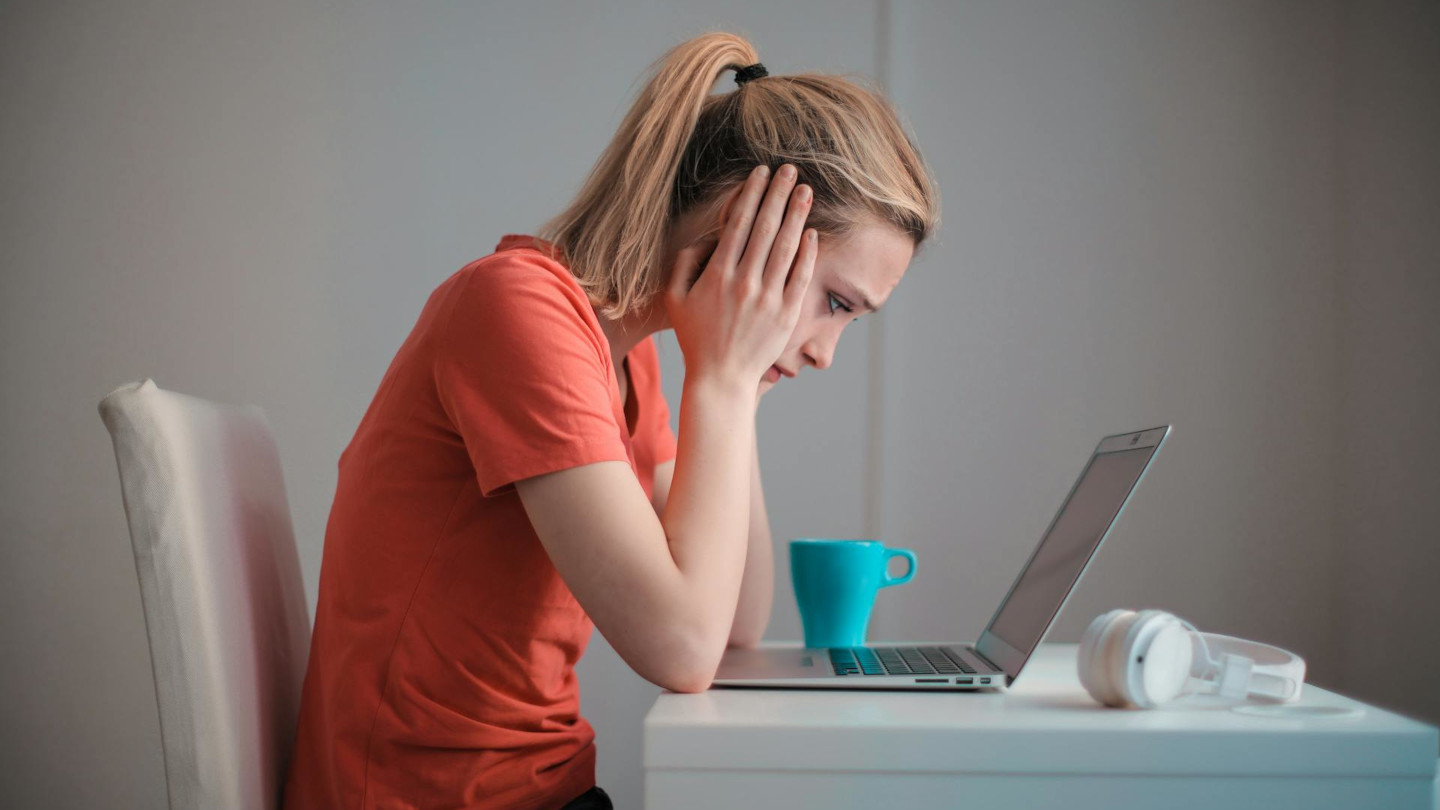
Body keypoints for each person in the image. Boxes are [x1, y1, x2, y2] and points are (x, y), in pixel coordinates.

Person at [282, 30, 939, 810]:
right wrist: (725, 382)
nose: (829, 352)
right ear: (746, 227)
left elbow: (733, 622)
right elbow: (683, 648)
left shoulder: (626, 360)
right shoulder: (517, 311)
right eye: (836, 303)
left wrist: (735, 383)